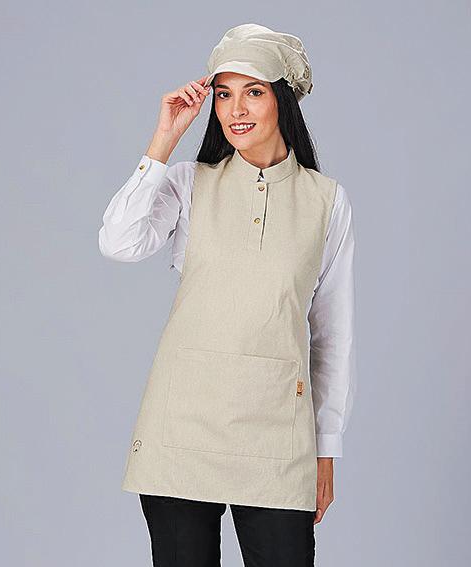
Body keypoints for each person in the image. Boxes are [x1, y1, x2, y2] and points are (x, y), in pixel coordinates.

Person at [98, 23, 356, 567]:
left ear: (283, 99)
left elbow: (331, 334)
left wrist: (326, 448)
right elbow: (119, 243)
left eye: (253, 91)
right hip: (181, 428)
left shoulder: (325, 202)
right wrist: (163, 139)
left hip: (277, 436)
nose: (235, 109)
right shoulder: (189, 182)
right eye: (223, 94)